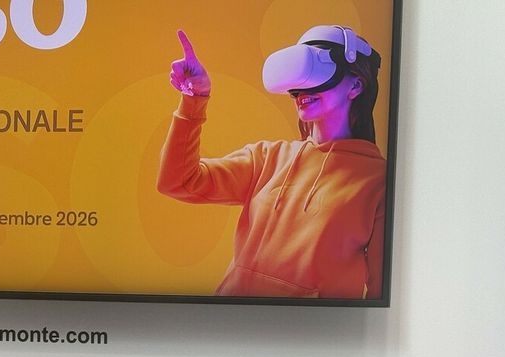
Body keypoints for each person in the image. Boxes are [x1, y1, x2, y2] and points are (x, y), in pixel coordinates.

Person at [158, 26, 386, 300]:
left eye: (316, 74)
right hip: (227, 320)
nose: (301, 90)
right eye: (299, 79)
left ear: (356, 86)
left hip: (308, 328)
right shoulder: (267, 157)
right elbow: (177, 181)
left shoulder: (379, 182)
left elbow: (380, 293)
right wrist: (194, 99)